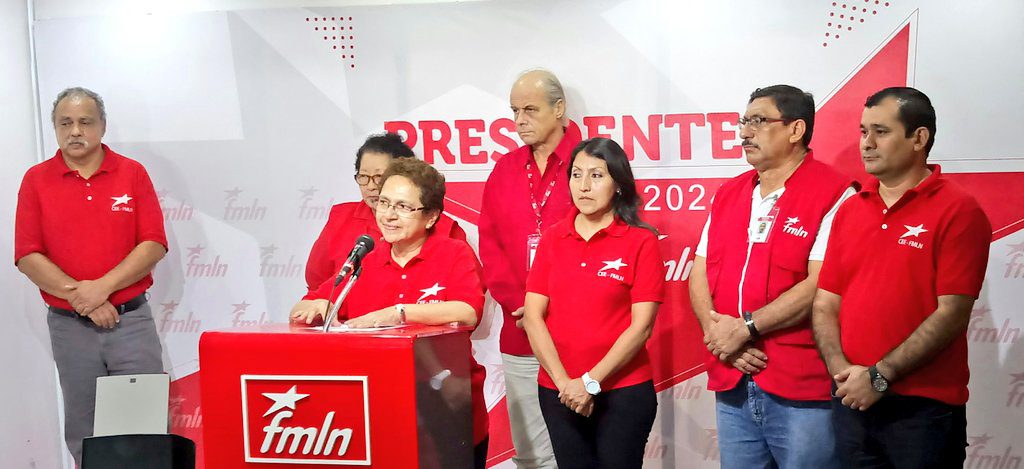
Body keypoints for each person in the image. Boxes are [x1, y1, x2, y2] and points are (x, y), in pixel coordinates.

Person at [812, 87, 991, 468]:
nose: (867, 143)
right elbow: (826, 302)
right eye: (863, 131)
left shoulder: (959, 210)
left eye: (881, 131)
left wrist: (879, 377)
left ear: (919, 138)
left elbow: (952, 313)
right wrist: (842, 372)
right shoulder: (850, 210)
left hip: (922, 412)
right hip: (851, 401)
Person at [688, 85, 856, 468]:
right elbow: (699, 272)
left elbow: (821, 283)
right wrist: (719, 336)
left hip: (800, 389)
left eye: (759, 121)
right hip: (732, 378)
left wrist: (745, 328)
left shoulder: (835, 193)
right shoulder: (729, 193)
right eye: (744, 121)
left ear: (796, 129)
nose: (745, 132)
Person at [291, 158, 489, 468]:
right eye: (384, 203)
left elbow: (467, 312)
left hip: (448, 408)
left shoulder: (453, 252)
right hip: (379, 411)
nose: (389, 215)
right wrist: (318, 307)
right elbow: (306, 305)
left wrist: (398, 314)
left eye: (403, 207)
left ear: (431, 216)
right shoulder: (366, 261)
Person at [15, 87, 168, 465]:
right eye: (64, 123)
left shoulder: (131, 173)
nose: (75, 131)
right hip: (70, 328)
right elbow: (27, 255)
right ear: (55, 128)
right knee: (85, 428)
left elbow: (153, 244)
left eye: (85, 122)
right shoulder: (36, 179)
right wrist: (82, 299)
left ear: (102, 125)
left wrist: (101, 289)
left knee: (145, 423)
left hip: (131, 322)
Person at [522, 138, 664, 469]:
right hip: (558, 390)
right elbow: (532, 316)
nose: (583, 186)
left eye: (597, 175)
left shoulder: (641, 241)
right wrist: (566, 385)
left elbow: (641, 327)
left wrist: (589, 383)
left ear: (618, 183)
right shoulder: (552, 238)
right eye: (576, 174)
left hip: (623, 391)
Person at [478, 69, 580, 468]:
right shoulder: (505, 169)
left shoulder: (590, 163)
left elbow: (608, 243)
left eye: (530, 110)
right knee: (532, 454)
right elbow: (491, 245)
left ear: (559, 108)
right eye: (514, 111)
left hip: (579, 334)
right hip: (520, 329)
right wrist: (522, 306)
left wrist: (556, 308)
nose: (519, 120)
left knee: (582, 451)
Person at [300, 133, 465, 300]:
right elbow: (317, 281)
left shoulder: (444, 227)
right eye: (363, 176)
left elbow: (466, 298)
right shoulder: (341, 218)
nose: (371, 186)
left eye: (379, 177)